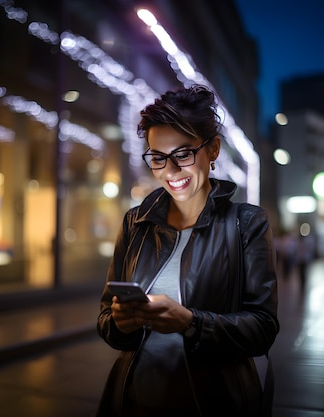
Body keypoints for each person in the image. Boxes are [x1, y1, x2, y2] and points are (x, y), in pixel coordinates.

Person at [96, 85, 279, 417]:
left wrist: (192, 323)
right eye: (157, 157)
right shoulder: (135, 222)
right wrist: (122, 323)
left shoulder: (247, 223)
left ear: (213, 150)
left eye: (183, 154)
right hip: (134, 399)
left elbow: (263, 328)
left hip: (213, 403)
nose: (170, 171)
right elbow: (107, 321)